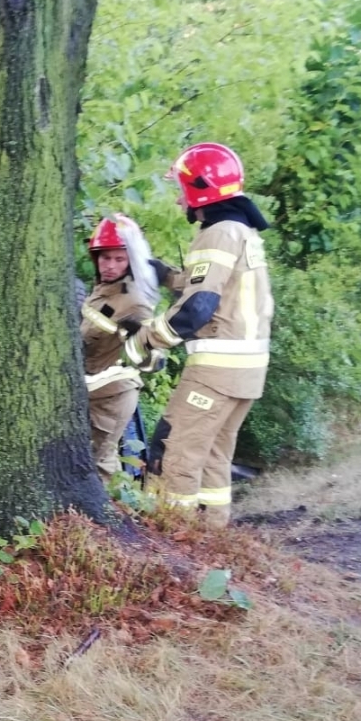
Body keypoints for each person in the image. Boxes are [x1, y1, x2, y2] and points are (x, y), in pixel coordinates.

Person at [120, 142, 274, 526]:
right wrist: (164, 273)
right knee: (213, 457)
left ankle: (171, 537)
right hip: (247, 372)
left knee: (175, 452)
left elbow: (198, 308)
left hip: (216, 373)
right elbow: (211, 291)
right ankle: (211, 536)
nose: (178, 200)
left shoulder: (218, 233)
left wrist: (146, 339)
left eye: (182, 190)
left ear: (200, 189)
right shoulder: (241, 233)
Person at [80, 216, 158, 482]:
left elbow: (152, 360)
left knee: (95, 466)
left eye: (119, 259)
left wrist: (141, 341)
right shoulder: (102, 291)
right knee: (104, 461)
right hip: (92, 393)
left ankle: (103, 522)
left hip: (112, 398)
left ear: (131, 262)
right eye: (105, 258)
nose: (110, 266)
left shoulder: (135, 302)